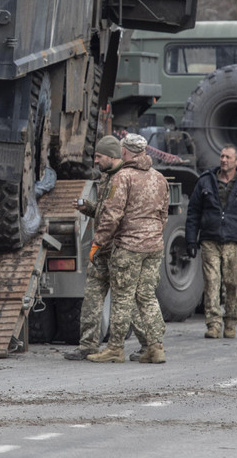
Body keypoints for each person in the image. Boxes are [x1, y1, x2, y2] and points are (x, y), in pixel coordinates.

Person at [86, 133, 170, 364]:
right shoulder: (159, 178)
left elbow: (112, 215)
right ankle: (156, 347)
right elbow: (164, 214)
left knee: (122, 298)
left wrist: (98, 242)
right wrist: (152, 235)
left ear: (124, 152)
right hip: (154, 246)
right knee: (147, 296)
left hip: (129, 247)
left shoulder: (122, 177)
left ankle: (115, 349)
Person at [65, 135, 148, 361]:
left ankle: (148, 345)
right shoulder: (106, 177)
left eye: (99, 157)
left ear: (112, 156)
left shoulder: (123, 179)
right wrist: (88, 207)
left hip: (119, 250)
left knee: (126, 302)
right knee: (92, 298)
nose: (95, 161)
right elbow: (106, 211)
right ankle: (88, 346)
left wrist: (99, 241)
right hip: (102, 251)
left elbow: (119, 217)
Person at [185, 143, 237, 339]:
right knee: (212, 282)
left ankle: (231, 322)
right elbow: (193, 212)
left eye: (228, 157)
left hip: (234, 242)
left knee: (233, 283)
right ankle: (213, 324)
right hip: (210, 240)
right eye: (221, 156)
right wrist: (191, 240)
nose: (223, 160)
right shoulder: (205, 182)